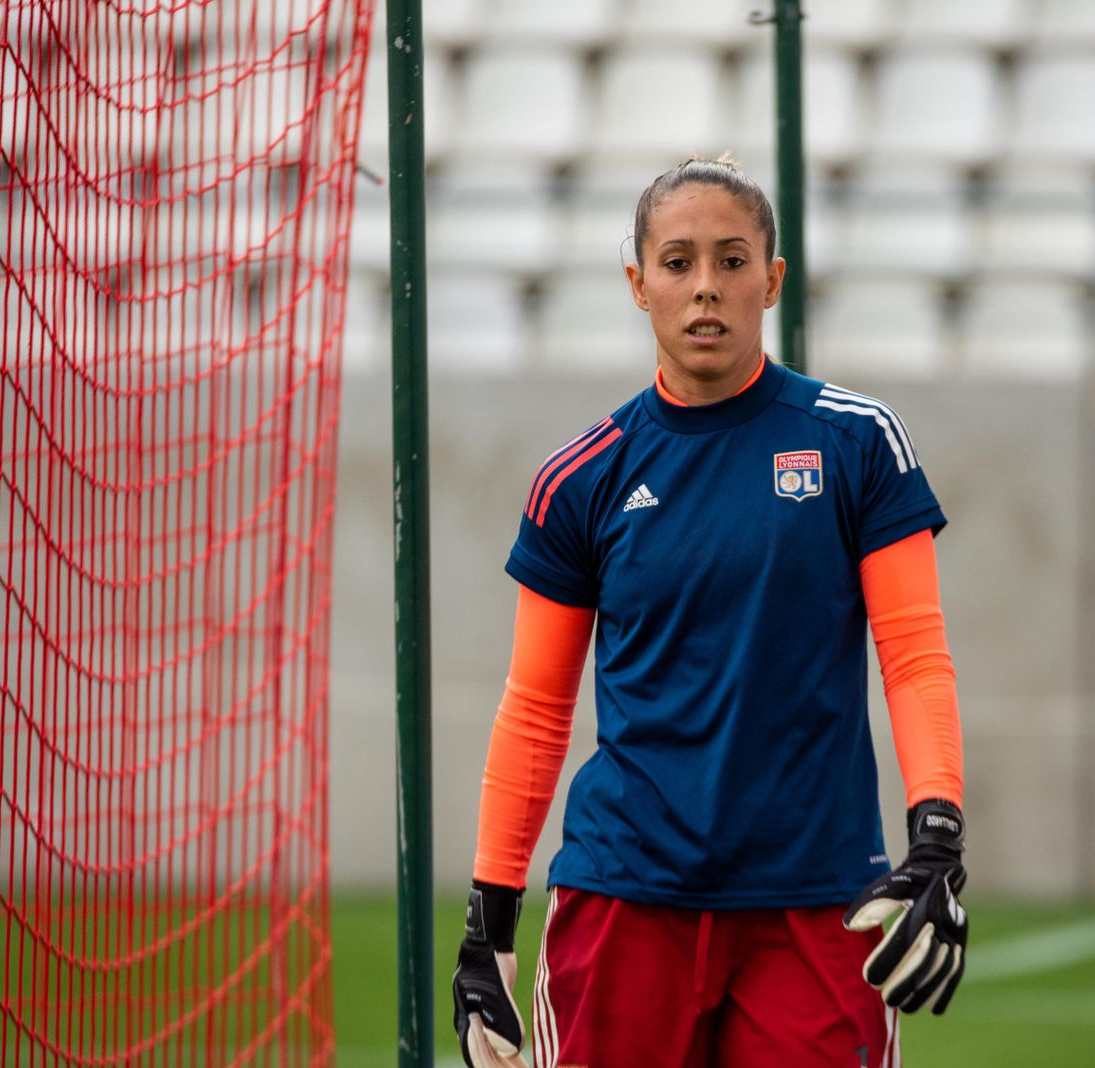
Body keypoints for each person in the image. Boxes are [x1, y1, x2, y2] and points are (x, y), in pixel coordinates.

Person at [451, 155, 968, 1068]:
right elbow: (534, 708)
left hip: (818, 902)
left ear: (772, 280)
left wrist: (937, 838)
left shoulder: (857, 442)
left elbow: (915, 657)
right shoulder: (580, 478)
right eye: (678, 262)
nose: (705, 288)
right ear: (637, 283)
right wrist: (487, 926)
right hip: (622, 899)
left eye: (732, 261)